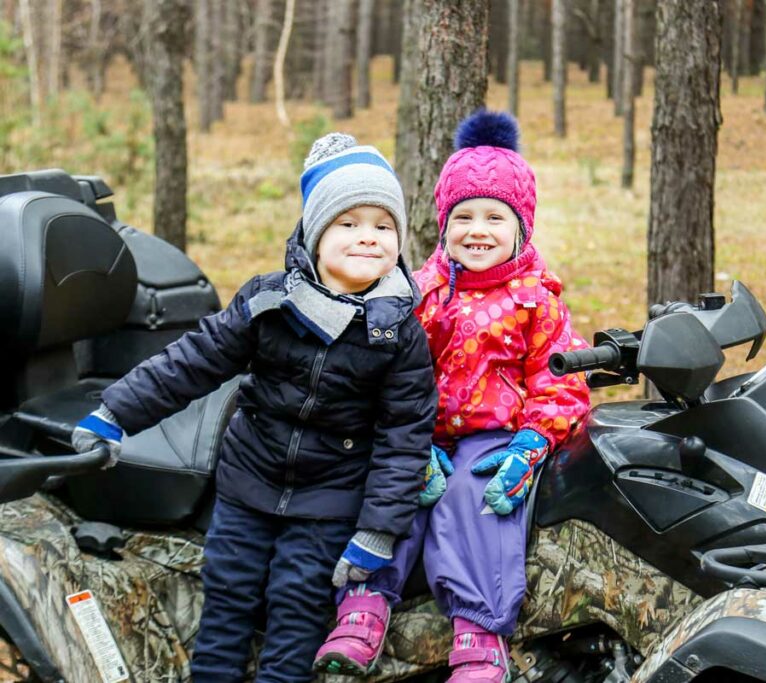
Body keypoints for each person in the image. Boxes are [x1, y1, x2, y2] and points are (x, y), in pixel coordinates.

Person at [70, 134, 437, 683]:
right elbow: (192, 361)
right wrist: (115, 412)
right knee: (228, 598)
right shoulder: (269, 301)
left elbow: (406, 436)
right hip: (247, 482)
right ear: (315, 233)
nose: (368, 238)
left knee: (296, 610)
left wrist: (377, 530)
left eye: (383, 226)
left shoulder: (399, 330)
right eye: (349, 223)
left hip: (329, 498)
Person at [315, 110, 591, 683]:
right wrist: (400, 435)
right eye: (463, 216)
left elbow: (560, 377)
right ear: (444, 224)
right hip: (421, 431)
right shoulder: (421, 290)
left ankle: (479, 635)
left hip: (495, 437)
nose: (478, 230)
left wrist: (534, 442)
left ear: (522, 226)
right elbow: (384, 365)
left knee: (479, 500)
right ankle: (363, 607)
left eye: (495, 216)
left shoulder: (535, 299)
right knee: (397, 489)